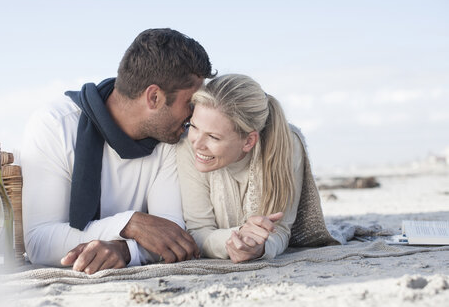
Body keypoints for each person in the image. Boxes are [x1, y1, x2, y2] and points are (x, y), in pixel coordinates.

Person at [21, 28, 215, 274]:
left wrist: (123, 250)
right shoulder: (55, 126)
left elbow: (170, 235)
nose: (194, 115)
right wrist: (130, 223)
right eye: (190, 103)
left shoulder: (172, 138)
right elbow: (40, 241)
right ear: (154, 97)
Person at [176, 74, 337, 263]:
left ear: (249, 141)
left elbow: (282, 229)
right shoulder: (187, 145)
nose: (197, 144)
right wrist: (238, 238)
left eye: (213, 137)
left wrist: (260, 248)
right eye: (194, 126)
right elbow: (198, 230)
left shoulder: (286, 144)